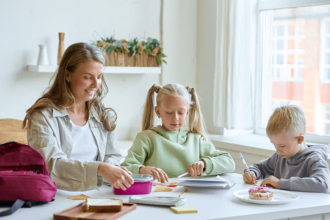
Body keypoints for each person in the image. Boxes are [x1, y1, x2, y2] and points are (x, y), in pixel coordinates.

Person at [22, 43, 133, 191]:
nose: (95, 84)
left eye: (99, 77)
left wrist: (110, 169)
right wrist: (100, 169)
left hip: (98, 195)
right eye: (88, 77)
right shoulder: (42, 116)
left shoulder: (102, 113)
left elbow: (112, 154)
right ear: (67, 75)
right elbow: (52, 165)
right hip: (56, 196)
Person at [121, 83, 235, 183]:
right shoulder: (146, 138)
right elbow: (125, 168)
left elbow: (229, 162)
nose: (175, 118)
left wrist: (204, 163)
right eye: (169, 112)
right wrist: (142, 170)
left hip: (190, 196)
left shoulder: (196, 140)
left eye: (181, 112)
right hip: (157, 196)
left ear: (187, 112)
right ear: (158, 111)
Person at [243, 105, 330, 193]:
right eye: (274, 144)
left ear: (299, 139)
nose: (277, 150)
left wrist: (280, 183)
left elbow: (323, 184)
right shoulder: (279, 156)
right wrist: (252, 172)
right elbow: (260, 167)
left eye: (282, 146)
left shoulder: (314, 159)